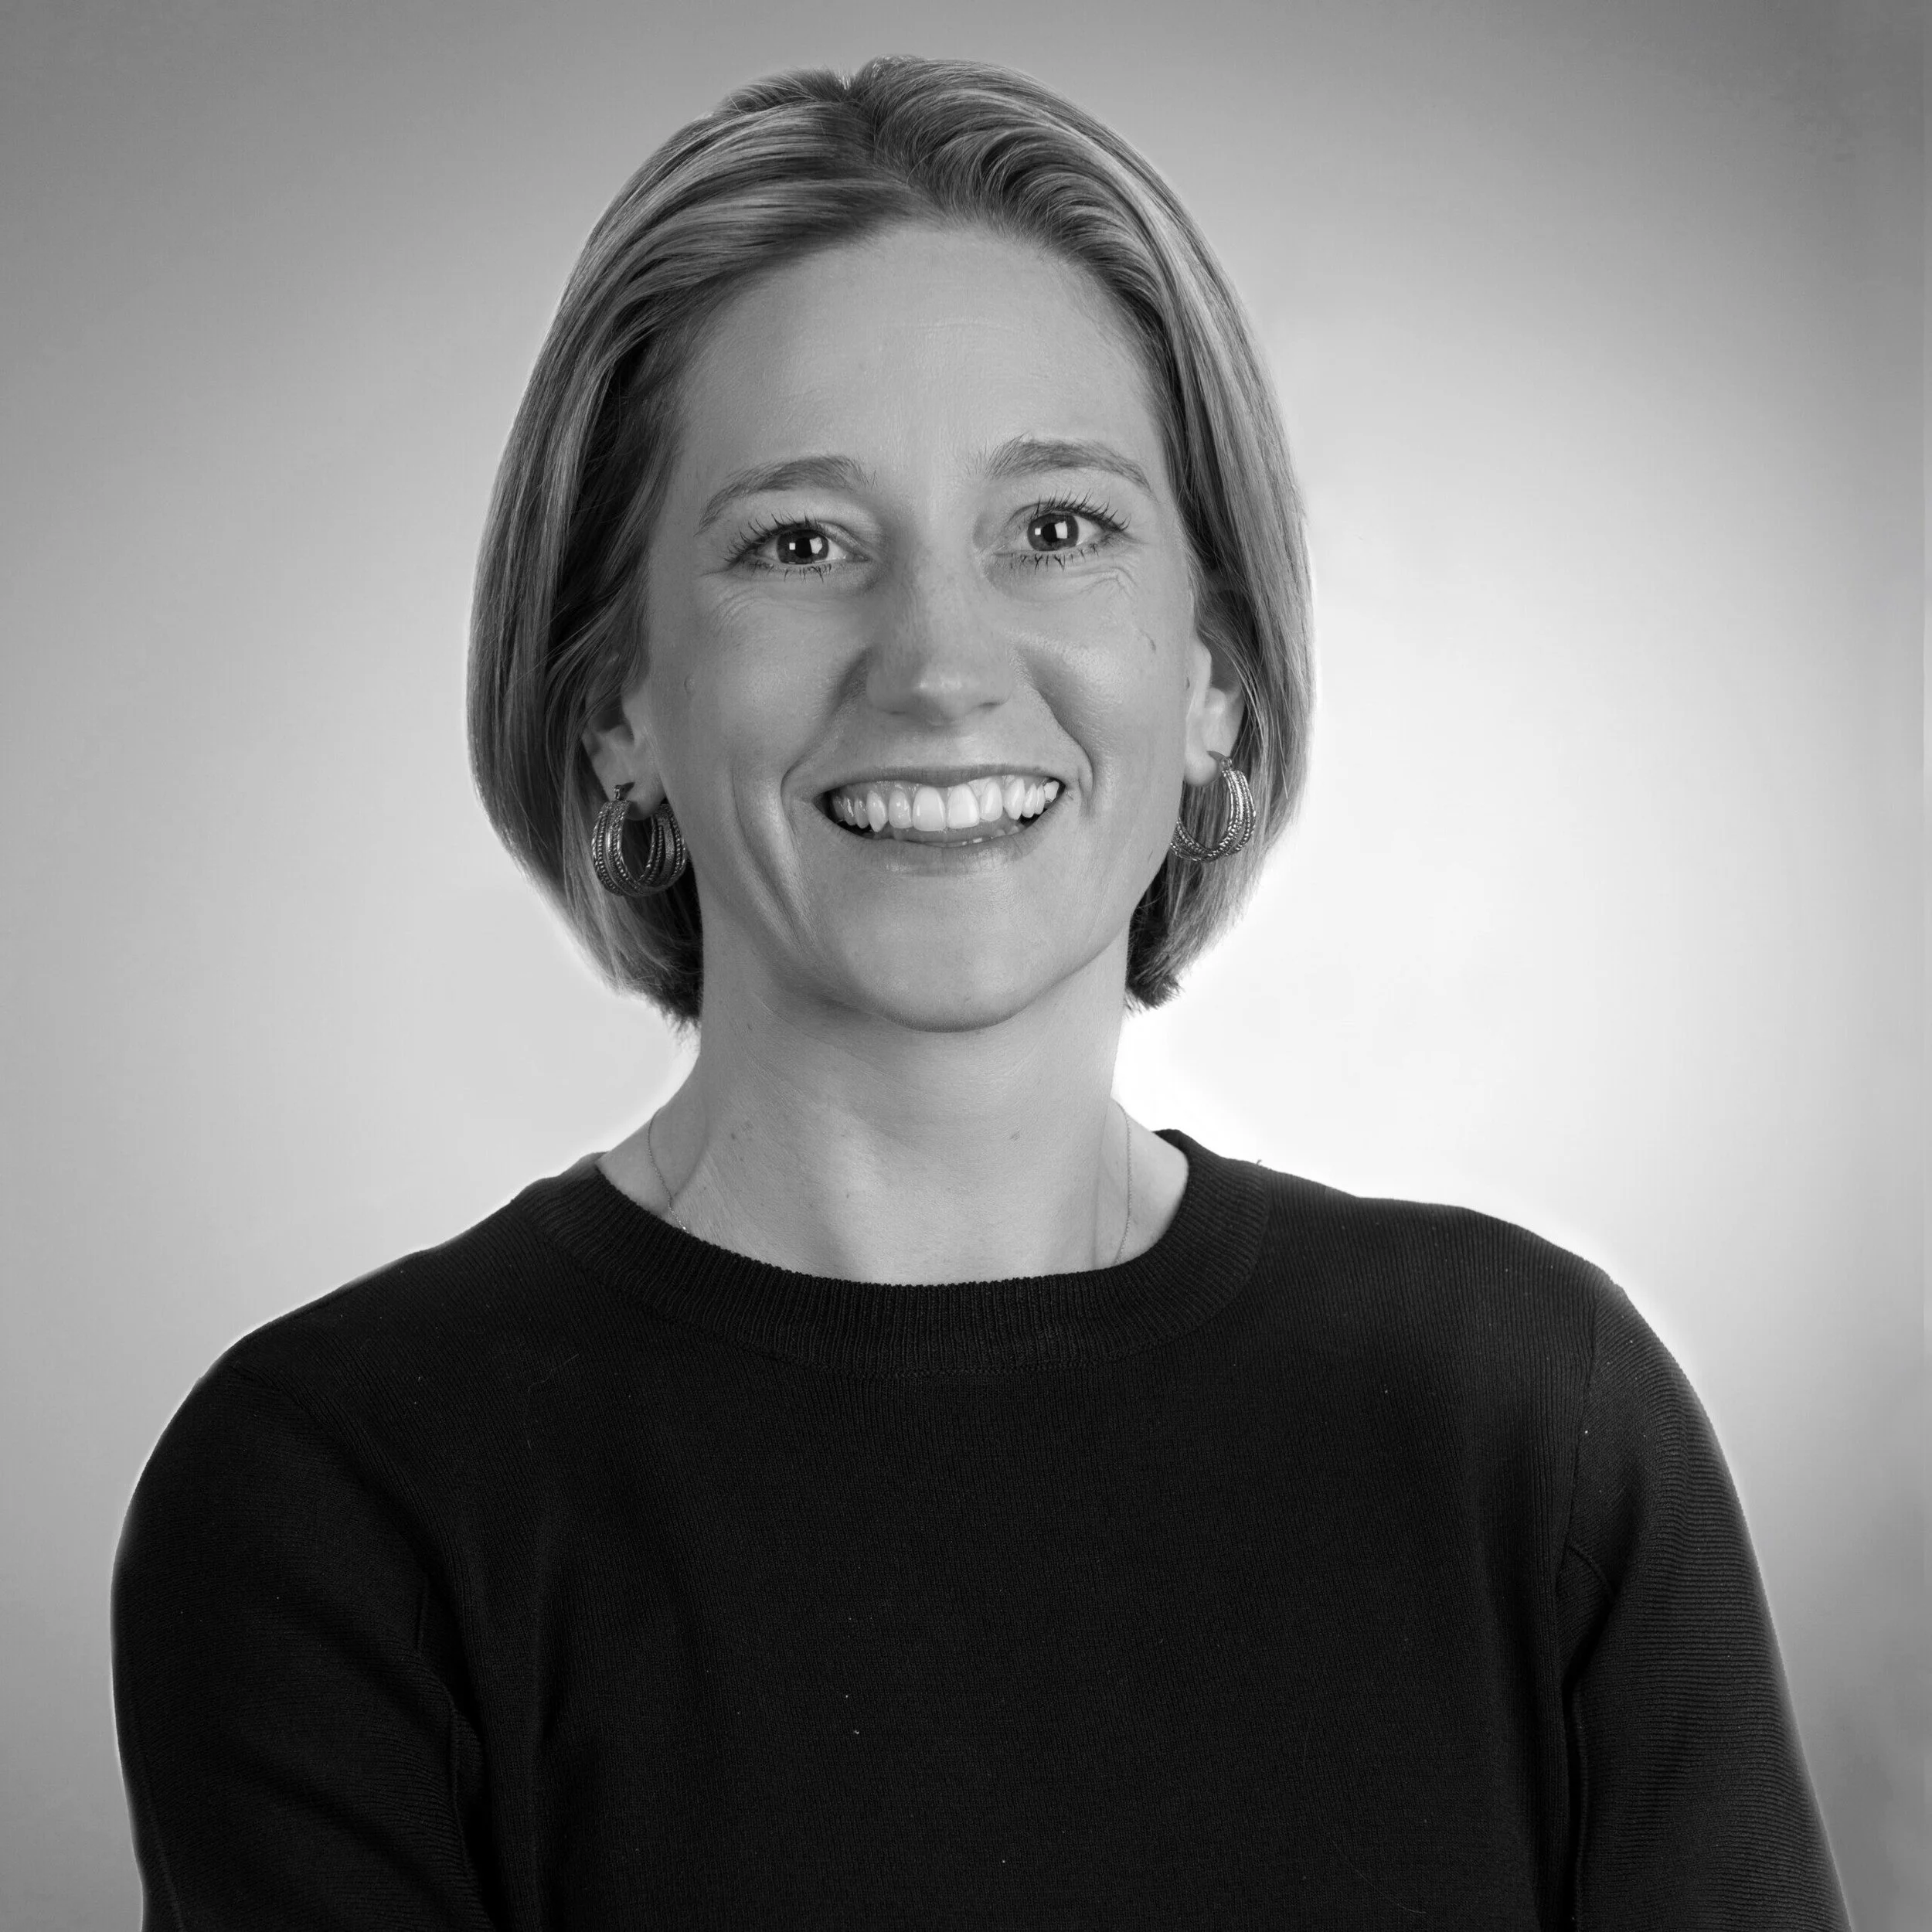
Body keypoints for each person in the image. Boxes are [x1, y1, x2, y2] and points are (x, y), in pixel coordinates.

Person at [111, 55, 1849, 1929]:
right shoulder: (335, 1498)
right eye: (799, 544)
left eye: (1055, 528)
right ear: (615, 708)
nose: (938, 665)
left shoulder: (1531, 1420)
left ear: (1211, 679)